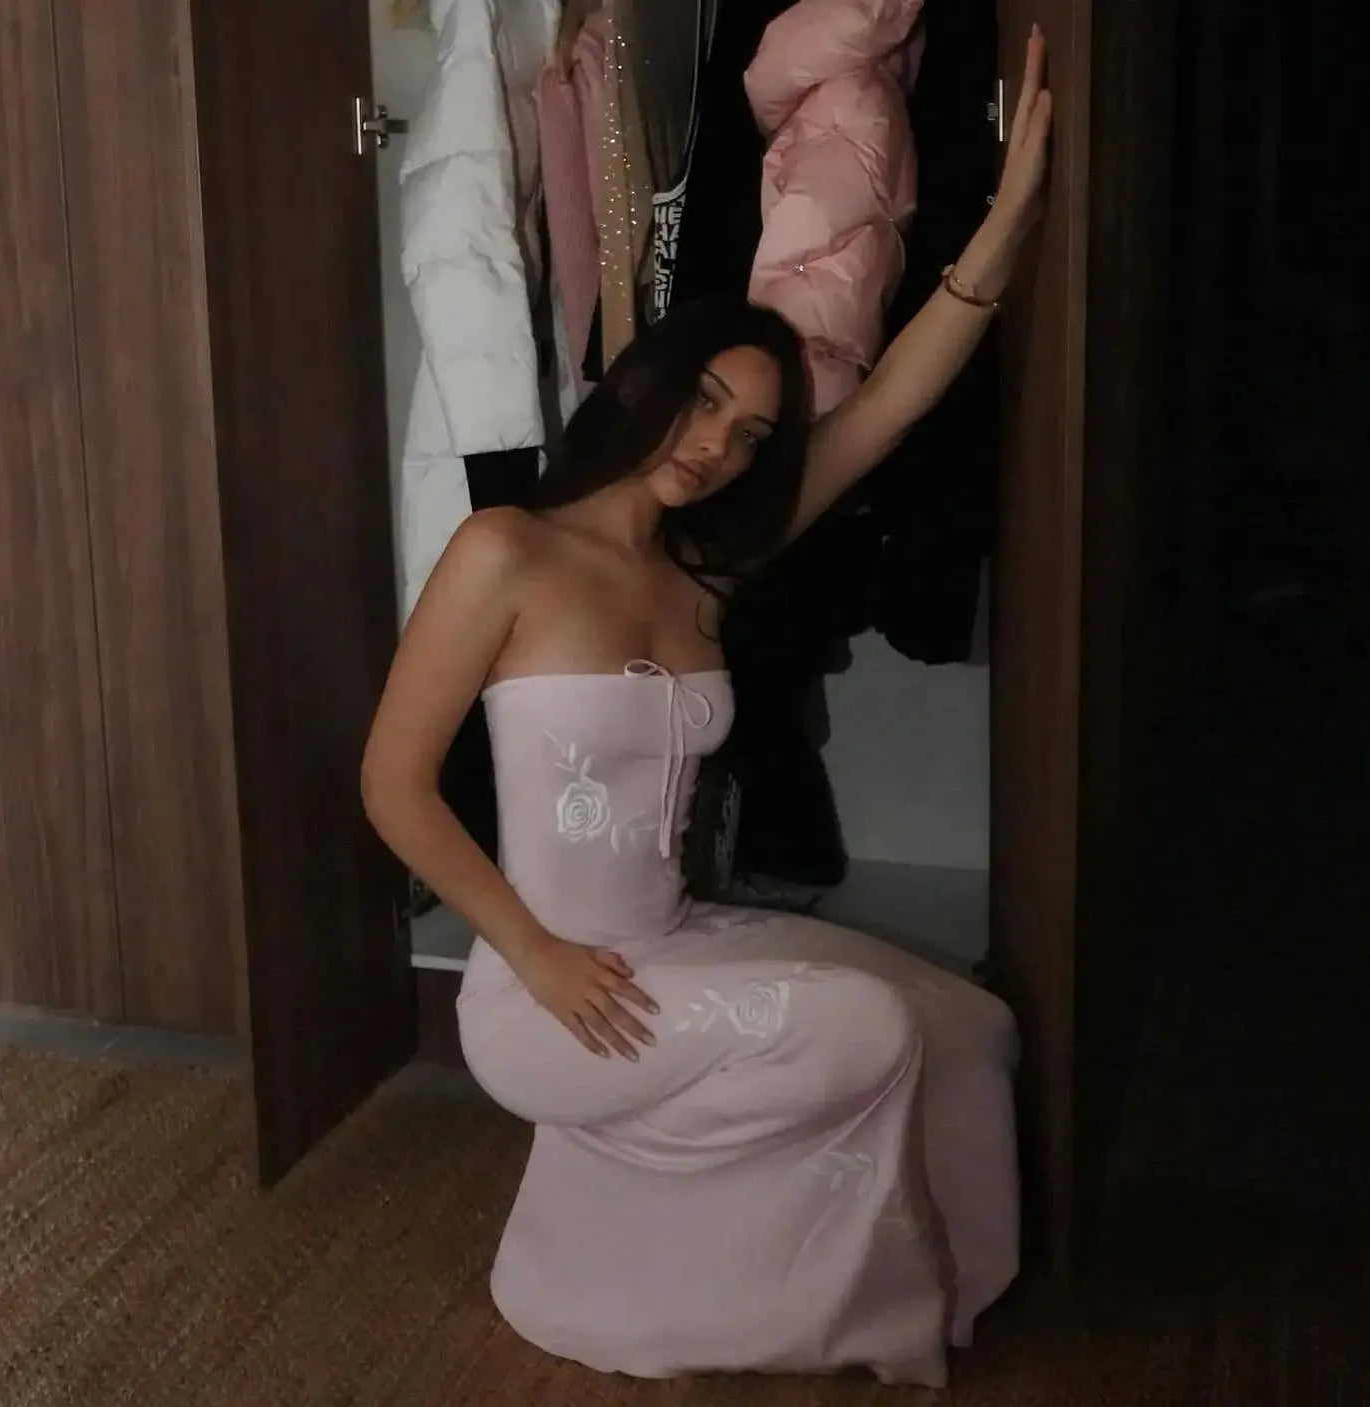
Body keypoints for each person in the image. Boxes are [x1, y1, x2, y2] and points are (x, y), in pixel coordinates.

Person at [361, 30, 1052, 1390]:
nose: (718, 445)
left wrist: (1009, 218)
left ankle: (948, 1277)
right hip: (550, 996)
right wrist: (536, 955)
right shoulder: (505, 552)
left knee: (974, 1028)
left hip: (673, 944)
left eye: (748, 438)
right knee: (876, 1033)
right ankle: (795, 1307)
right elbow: (393, 785)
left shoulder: (701, 569)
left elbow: (891, 409)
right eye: (708, 405)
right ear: (646, 383)